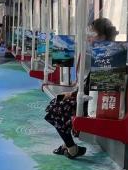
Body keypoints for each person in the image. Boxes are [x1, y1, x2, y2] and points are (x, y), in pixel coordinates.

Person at [44, 17, 118, 159]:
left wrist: (73, 94)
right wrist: (74, 93)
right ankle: (69, 145)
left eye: (92, 35)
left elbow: (99, 87)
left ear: (103, 37)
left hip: (93, 102)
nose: (89, 39)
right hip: (87, 97)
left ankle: (71, 147)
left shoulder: (107, 56)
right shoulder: (102, 54)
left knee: (56, 108)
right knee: (56, 103)